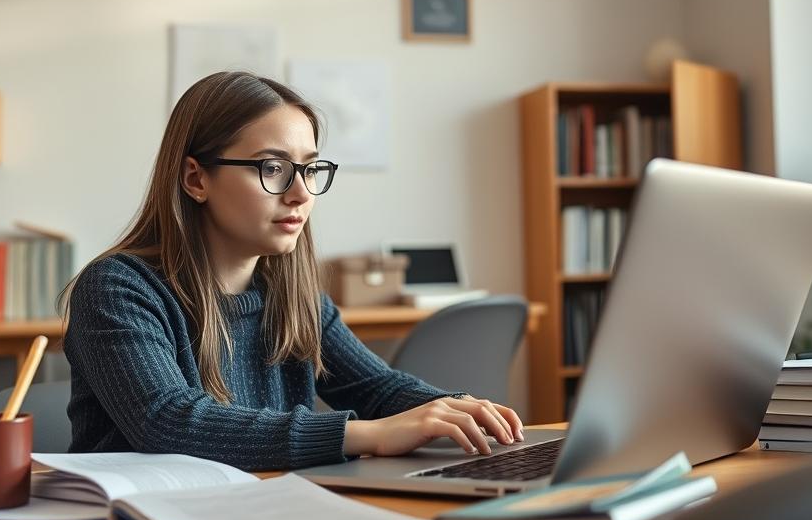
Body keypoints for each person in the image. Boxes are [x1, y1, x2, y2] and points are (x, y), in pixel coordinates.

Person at [62, 71, 525, 471]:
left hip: (260, 515)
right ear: (196, 179)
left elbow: (378, 388)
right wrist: (367, 435)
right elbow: (167, 422)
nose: (301, 194)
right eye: (273, 167)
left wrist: (463, 410)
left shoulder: (293, 294)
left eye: (310, 169)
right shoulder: (117, 288)